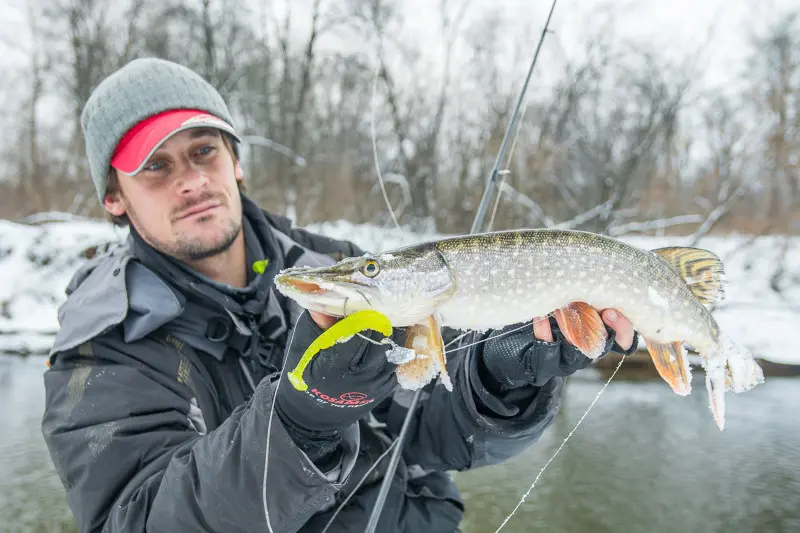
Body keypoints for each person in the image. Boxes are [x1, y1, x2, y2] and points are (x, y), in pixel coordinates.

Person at [40, 57, 638, 533]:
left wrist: (498, 379)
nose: (193, 181)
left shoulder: (337, 266)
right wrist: (301, 422)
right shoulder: (100, 354)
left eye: (204, 151)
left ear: (235, 161)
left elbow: (432, 431)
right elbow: (140, 519)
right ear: (113, 197)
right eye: (155, 166)